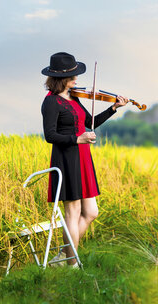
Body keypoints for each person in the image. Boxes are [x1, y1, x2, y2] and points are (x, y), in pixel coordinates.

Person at [41, 52, 128, 268]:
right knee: (72, 213)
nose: (76, 80)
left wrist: (113, 108)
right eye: (72, 77)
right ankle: (71, 266)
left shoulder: (76, 97)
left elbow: (90, 123)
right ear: (61, 79)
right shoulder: (51, 102)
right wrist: (77, 138)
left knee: (91, 212)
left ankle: (63, 256)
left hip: (83, 159)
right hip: (66, 159)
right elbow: (49, 135)